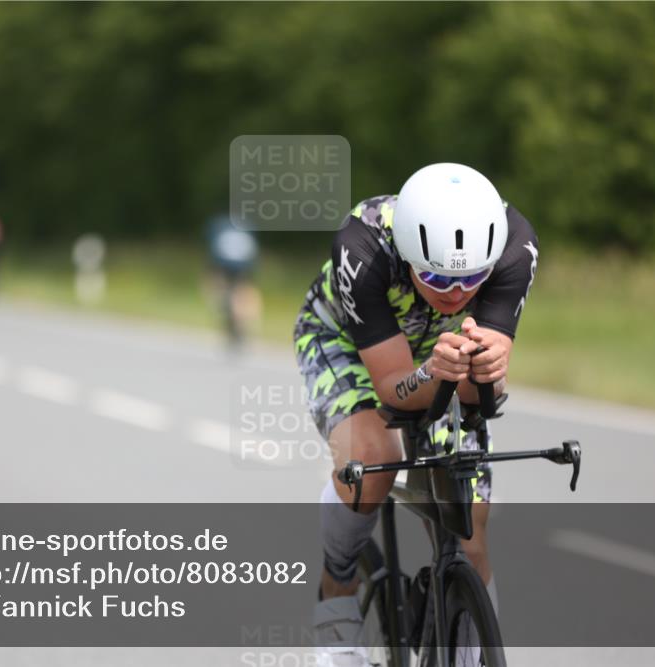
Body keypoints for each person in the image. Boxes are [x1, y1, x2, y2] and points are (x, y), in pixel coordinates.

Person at [294, 163, 538, 665]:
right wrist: (431, 374)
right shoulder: (361, 247)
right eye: (435, 278)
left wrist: (488, 372)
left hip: (437, 349)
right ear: (407, 256)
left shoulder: (515, 248)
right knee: (372, 456)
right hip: (347, 343)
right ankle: (336, 589)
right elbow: (394, 389)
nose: (455, 294)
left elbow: (478, 401)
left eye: (472, 279)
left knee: (470, 522)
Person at [205, 215, 261, 349]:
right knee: (242, 290)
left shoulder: (218, 224)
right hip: (243, 263)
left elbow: (213, 247)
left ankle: (229, 313)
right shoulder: (246, 226)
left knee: (218, 288)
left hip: (224, 262)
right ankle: (243, 320)